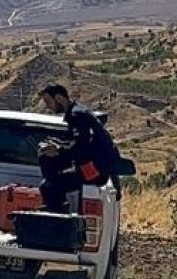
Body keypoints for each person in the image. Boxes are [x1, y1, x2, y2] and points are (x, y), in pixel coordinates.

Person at [36, 84, 122, 213]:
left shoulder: (78, 115)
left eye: (48, 101)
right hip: (92, 167)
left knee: (49, 186)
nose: (47, 106)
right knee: (46, 161)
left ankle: (57, 219)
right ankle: (58, 210)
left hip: (93, 170)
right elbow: (79, 144)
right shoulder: (77, 114)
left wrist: (58, 150)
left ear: (59, 98)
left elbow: (82, 147)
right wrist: (59, 145)